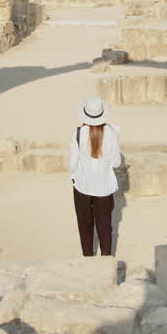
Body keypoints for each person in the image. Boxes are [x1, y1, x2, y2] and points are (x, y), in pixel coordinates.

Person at [69, 96, 122, 256]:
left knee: (84, 225)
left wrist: (76, 175)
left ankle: (87, 258)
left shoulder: (78, 133)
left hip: (82, 186)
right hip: (104, 187)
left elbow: (72, 164)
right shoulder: (111, 132)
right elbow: (116, 163)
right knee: (105, 226)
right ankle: (106, 260)